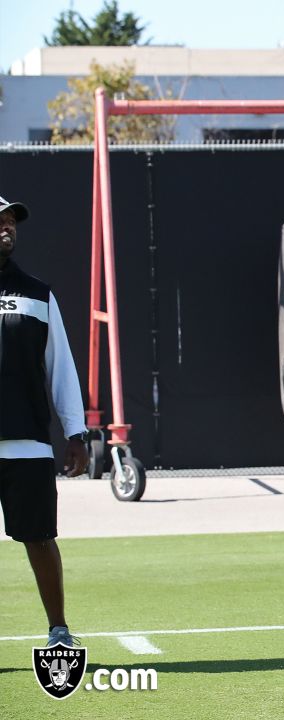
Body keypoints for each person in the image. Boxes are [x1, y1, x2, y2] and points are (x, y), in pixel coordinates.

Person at [0, 195, 90, 648]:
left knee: (39, 539)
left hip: (28, 445)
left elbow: (62, 368)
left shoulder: (37, 294)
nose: (7, 227)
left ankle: (59, 631)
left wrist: (76, 432)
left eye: (11, 220)